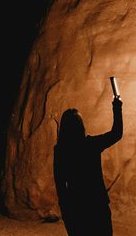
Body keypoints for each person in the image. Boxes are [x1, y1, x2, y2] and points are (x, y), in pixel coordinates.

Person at [54, 85, 123, 236]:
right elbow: (117, 133)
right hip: (97, 206)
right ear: (81, 126)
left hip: (75, 208)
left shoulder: (60, 150)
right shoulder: (91, 144)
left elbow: (60, 184)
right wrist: (117, 106)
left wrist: (66, 211)